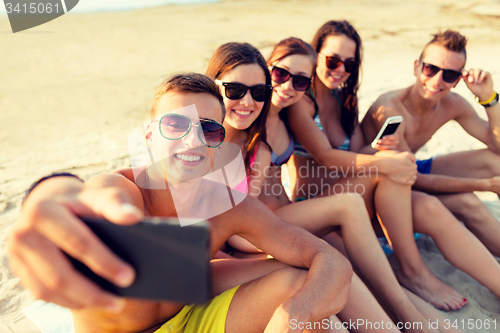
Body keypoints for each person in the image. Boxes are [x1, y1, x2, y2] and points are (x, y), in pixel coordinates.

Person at [8, 73, 354, 333]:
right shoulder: (123, 190)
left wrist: (291, 317)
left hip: (189, 320)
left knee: (299, 283)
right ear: (148, 135)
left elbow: (329, 260)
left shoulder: (226, 204)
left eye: (208, 129)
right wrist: (51, 191)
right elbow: (86, 196)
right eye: (175, 124)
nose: (192, 140)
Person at [207, 39, 459, 333]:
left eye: (301, 81)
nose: (248, 101)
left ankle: (412, 309)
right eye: (236, 90)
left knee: (347, 263)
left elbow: (248, 208)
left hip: (268, 225)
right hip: (253, 236)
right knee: (340, 230)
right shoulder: (204, 141)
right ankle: (410, 312)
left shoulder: (261, 140)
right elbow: (230, 225)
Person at [285, 20, 474, 311]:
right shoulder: (302, 101)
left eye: (349, 64)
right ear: (315, 55)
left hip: (352, 196)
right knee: (389, 172)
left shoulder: (343, 97)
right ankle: (414, 272)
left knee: (427, 202)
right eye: (333, 61)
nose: (340, 71)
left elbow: (360, 150)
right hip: (315, 203)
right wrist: (383, 162)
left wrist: (379, 148)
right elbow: (325, 156)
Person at [362, 29, 500, 257]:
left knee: (494, 162)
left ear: (458, 80)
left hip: (412, 168)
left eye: (449, 75)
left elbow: (497, 147)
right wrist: (486, 185)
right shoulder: (390, 109)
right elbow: (414, 179)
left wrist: (489, 98)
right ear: (416, 67)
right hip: (383, 190)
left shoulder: (452, 104)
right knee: (468, 202)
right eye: (430, 69)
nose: (437, 81)